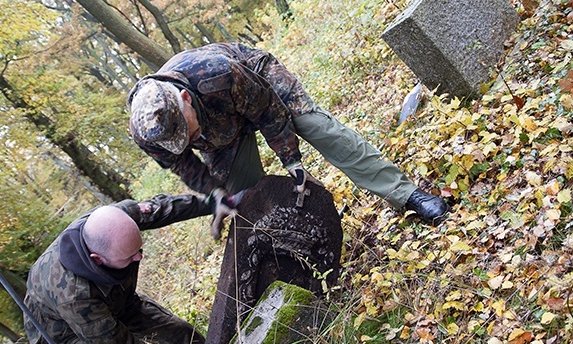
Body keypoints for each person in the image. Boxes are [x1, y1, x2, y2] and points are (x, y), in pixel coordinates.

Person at [126, 42, 448, 239]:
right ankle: (308, 240)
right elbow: (185, 166)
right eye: (181, 141)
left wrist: (293, 161)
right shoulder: (148, 132)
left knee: (317, 127)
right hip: (223, 134)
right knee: (245, 199)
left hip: (258, 83)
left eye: (187, 131)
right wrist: (216, 194)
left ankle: (407, 195)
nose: (188, 141)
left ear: (184, 98)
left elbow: (268, 111)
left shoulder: (217, 73)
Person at [23, 194, 213, 344]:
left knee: (179, 331)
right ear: (98, 259)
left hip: (116, 299)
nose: (139, 257)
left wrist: (213, 203)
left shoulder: (113, 220)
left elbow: (161, 208)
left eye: (139, 249)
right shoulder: (75, 297)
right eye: (129, 256)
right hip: (66, 332)